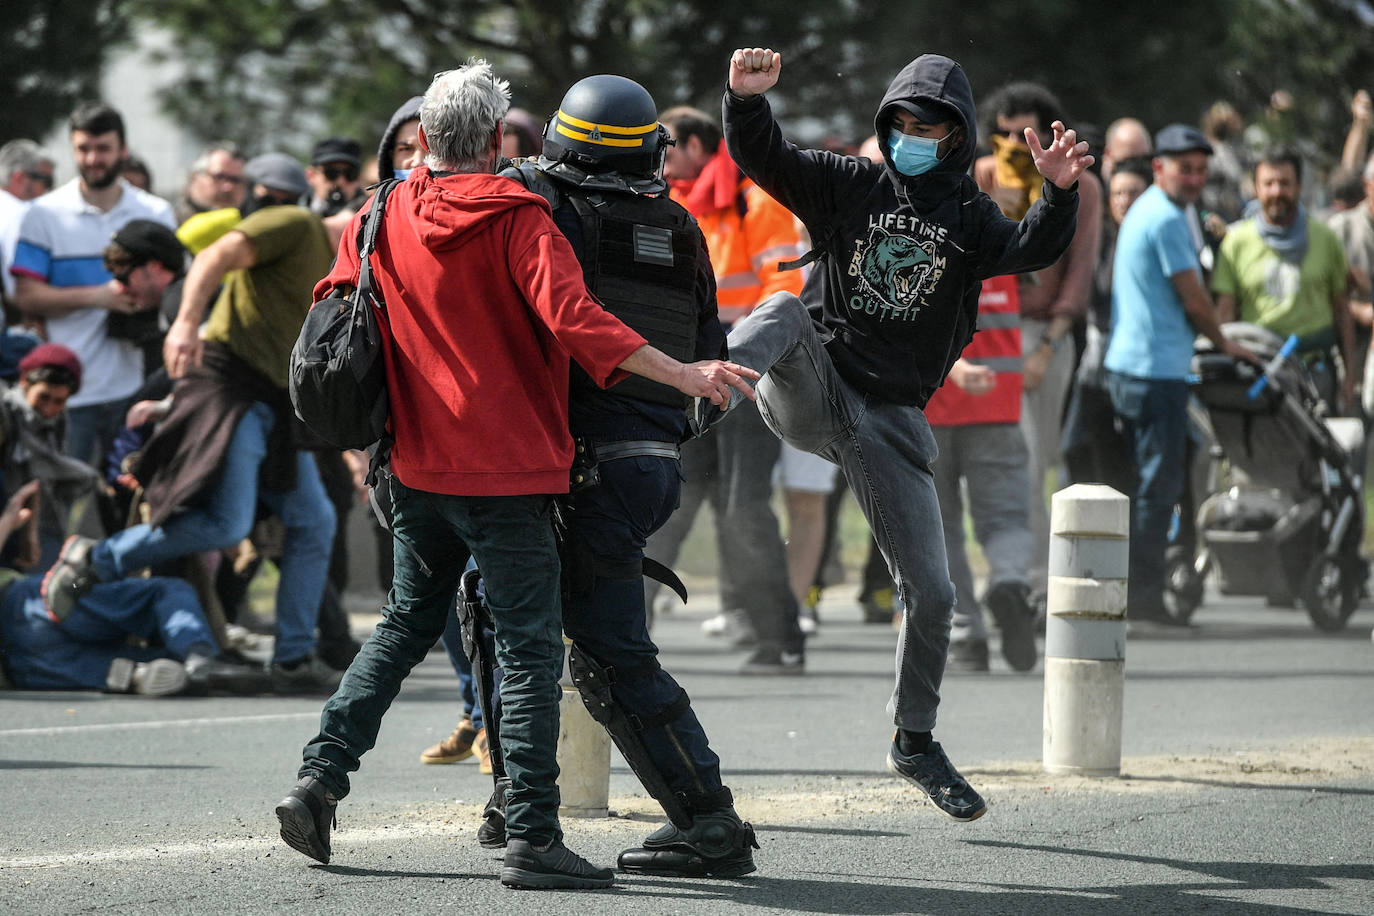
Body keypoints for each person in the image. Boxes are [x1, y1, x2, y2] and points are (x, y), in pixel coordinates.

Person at [275, 60, 757, 889]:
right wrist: (685, 375)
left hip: (417, 470)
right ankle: (534, 834)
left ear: (423, 138)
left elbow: (337, 306)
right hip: (512, 472)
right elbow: (581, 325)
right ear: (499, 140)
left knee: (399, 629)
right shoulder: (520, 216)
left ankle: (319, 782)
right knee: (532, 651)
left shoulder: (380, 209)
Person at [716, 47, 1090, 820]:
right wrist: (746, 102)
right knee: (783, 309)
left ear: (958, 138)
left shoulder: (970, 217)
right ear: (886, 125)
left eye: (931, 127)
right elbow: (768, 158)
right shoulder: (848, 185)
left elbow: (1033, 249)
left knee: (937, 592)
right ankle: (698, 399)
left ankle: (914, 741)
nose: (914, 136)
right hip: (815, 391)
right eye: (903, 124)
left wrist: (1059, 192)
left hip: (888, 421)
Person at [41, 152, 342, 694]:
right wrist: (181, 327)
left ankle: (294, 656)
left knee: (315, 522)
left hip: (278, 400)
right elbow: (215, 256)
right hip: (230, 386)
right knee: (228, 525)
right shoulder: (295, 223)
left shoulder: (347, 263)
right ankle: (96, 556)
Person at [645, 104, 806, 672]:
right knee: (666, 502)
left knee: (742, 509)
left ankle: (778, 637)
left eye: (668, 147)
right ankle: (623, 636)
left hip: (746, 381)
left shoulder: (754, 201)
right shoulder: (675, 205)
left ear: (695, 145)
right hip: (688, 380)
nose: (660, 160)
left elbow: (784, 293)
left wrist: (736, 358)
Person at [1104, 124, 1257, 622]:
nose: (1194, 179)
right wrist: (1226, 341)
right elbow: (1194, 297)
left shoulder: (1152, 208)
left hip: (1133, 366)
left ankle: (1141, 585)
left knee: (1150, 483)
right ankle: (1145, 598)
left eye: (1199, 169)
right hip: (1154, 372)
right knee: (1159, 487)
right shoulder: (1167, 218)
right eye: (1184, 169)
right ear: (1158, 167)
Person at [974, 82, 1102, 616]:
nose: (1011, 145)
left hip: (1050, 334)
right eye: (1002, 134)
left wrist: (1048, 348)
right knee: (1016, 458)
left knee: (1043, 457)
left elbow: (1080, 270)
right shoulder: (981, 177)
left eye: (1021, 134)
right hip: (996, 333)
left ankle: (1038, 577)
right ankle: (1019, 577)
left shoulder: (1082, 185)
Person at [9, 103, 176, 466]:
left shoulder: (155, 213)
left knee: (127, 499)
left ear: (123, 150)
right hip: (65, 392)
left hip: (138, 385)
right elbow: (26, 296)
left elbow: (176, 289)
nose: (93, 159)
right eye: (83, 149)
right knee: (58, 508)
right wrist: (100, 297)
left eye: (103, 148)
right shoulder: (44, 214)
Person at [0, 480, 263, 695]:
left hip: (19, 665)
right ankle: (198, 657)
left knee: (80, 666)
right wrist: (9, 520)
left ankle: (136, 674)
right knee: (164, 593)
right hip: (26, 603)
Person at [925, 276, 1036, 673]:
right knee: (1006, 517)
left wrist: (952, 366)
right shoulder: (1001, 230)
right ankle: (1008, 581)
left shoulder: (919, 236)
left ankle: (966, 635)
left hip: (929, 406)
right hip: (998, 401)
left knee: (940, 528)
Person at [1213, 147, 1353, 410]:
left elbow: (1341, 309)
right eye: (1269, 183)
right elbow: (1226, 314)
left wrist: (1350, 377)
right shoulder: (1236, 243)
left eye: (1285, 183)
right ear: (1256, 188)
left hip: (1315, 371)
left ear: (1298, 186)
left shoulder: (1325, 239)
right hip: (1258, 373)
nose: (1277, 191)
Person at [1062, 155, 1152, 493]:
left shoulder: (1158, 238)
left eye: (1134, 193)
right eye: (1117, 194)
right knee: (1080, 451)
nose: (1125, 202)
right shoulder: (1100, 240)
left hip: (1142, 369)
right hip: (1097, 370)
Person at [1328, 153, 1374, 399]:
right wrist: (1359, 310)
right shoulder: (1340, 229)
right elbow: (1321, 296)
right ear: (1368, 186)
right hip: (1352, 356)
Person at [0, 140, 56, 307]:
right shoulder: (21, 215)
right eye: (46, 181)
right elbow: (18, 291)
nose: (49, 191)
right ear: (19, 178)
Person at [175, 142, 246, 224]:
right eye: (219, 177)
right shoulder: (169, 224)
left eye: (235, 180)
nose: (228, 187)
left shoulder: (250, 229)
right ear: (194, 178)